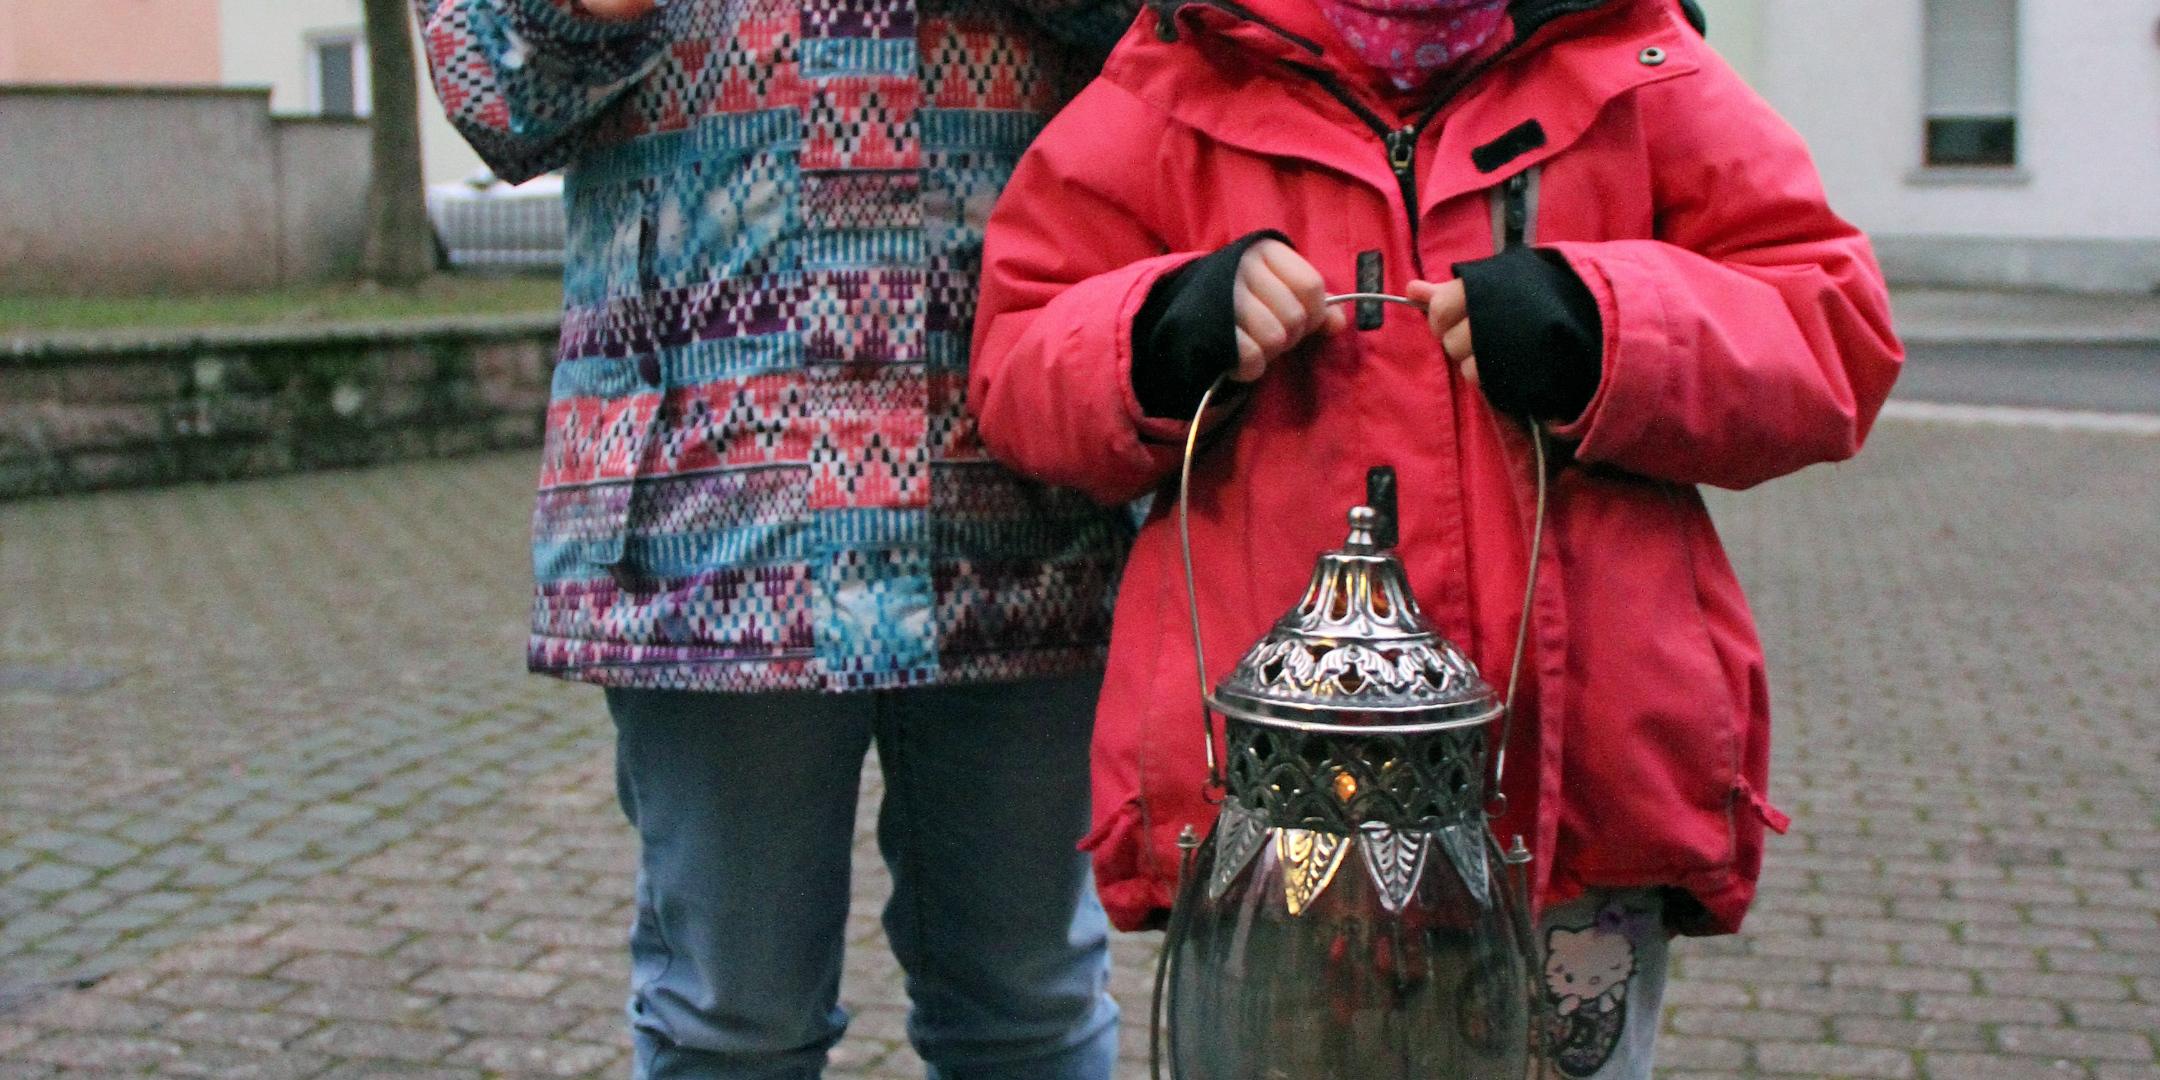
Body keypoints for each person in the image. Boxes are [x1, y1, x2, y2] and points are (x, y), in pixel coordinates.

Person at [967, 0, 1903, 1075]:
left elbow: (1834, 327)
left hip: (1573, 804)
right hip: (1282, 820)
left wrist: (1603, 322)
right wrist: (1163, 327)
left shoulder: (1639, 69)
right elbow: (1019, 358)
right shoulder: (1179, 79)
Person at [411, 0, 1141, 1076]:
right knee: (734, 1024)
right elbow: (491, 85)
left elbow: (1191, 45)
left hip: (1017, 484)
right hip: (717, 510)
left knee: (1027, 1008)